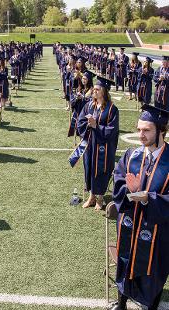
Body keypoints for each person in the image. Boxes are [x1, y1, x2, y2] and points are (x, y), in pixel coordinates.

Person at [111, 104, 169, 310]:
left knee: (153, 270)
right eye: (138, 130)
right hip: (129, 225)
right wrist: (127, 189)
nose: (141, 135)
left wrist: (147, 198)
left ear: (162, 130)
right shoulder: (131, 156)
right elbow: (117, 183)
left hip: (158, 233)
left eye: (146, 130)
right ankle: (121, 303)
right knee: (125, 261)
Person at [69, 76, 119, 210]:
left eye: (97, 89)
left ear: (104, 91)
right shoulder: (89, 105)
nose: (94, 91)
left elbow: (112, 130)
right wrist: (88, 125)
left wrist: (96, 126)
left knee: (101, 170)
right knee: (89, 168)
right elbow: (80, 122)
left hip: (104, 147)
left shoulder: (112, 109)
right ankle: (91, 196)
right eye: (94, 89)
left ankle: (100, 198)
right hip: (90, 145)